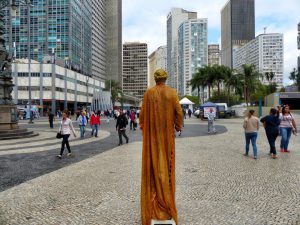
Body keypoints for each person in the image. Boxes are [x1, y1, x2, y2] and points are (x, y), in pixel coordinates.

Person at [140, 69, 183, 225]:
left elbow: (142, 116)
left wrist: (145, 128)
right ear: (166, 78)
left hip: (152, 139)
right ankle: (165, 203)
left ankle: (155, 201)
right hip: (166, 138)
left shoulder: (148, 94)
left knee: (153, 168)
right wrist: (178, 126)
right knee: (166, 167)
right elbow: (179, 112)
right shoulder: (172, 93)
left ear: (155, 78)